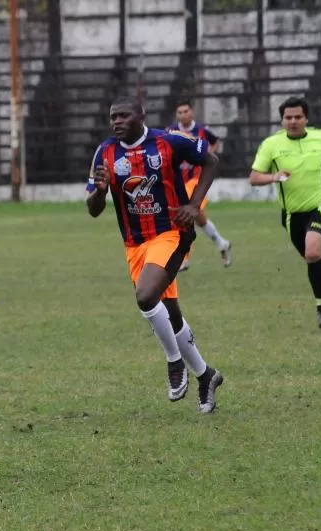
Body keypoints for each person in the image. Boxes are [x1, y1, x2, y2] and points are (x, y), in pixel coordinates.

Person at [86, 98, 224, 414]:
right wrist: (100, 191)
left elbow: (211, 161)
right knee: (169, 313)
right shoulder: (104, 152)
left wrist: (194, 204)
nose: (117, 121)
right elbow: (94, 210)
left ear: (141, 116)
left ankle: (174, 361)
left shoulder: (168, 141)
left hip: (171, 233)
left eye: (124, 115)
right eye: (113, 117)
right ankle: (206, 376)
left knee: (146, 296)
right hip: (135, 244)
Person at [249, 96, 321, 329]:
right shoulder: (271, 145)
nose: (293, 121)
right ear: (282, 120)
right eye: (288, 117)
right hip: (292, 214)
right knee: (314, 260)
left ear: (306, 118)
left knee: (312, 252)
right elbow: (254, 177)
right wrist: (273, 176)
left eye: (297, 117)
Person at [167, 100, 232, 270]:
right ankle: (221, 243)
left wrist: (207, 155)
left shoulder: (202, 130)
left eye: (185, 111)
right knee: (197, 216)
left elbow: (215, 141)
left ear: (191, 113)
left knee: (183, 212)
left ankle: (183, 258)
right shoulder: (171, 131)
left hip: (197, 179)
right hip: (178, 181)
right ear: (177, 115)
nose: (183, 114)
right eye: (179, 112)